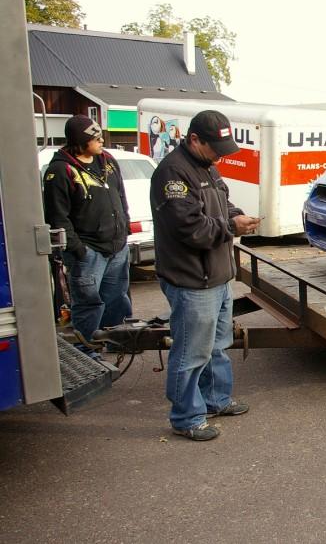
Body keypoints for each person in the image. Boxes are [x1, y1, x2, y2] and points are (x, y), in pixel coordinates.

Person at [150, 110, 261, 441]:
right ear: (194, 139)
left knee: (216, 346)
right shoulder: (173, 172)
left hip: (216, 276)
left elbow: (222, 203)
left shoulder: (207, 167)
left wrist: (237, 215)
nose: (221, 154)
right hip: (191, 280)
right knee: (191, 352)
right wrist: (231, 227)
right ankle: (186, 417)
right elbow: (189, 227)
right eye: (216, 147)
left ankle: (215, 399)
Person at [43, 115, 132, 347]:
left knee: (117, 300)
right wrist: (78, 249)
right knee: (89, 304)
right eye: (95, 137)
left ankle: (117, 343)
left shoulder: (108, 160)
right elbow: (57, 217)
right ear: (81, 142)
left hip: (117, 247)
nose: (102, 140)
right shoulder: (60, 170)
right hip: (88, 252)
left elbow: (121, 195)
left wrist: (125, 227)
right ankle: (87, 350)